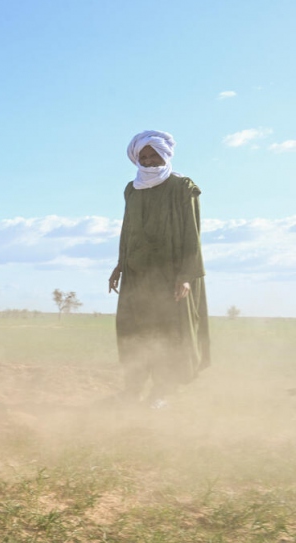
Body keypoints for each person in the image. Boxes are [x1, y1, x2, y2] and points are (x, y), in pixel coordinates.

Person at [108, 130, 210, 409]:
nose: (150, 161)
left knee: (169, 332)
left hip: (172, 276)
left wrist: (186, 276)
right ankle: (133, 389)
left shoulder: (182, 187)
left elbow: (192, 233)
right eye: (144, 156)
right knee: (135, 330)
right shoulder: (132, 188)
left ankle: (162, 392)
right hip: (137, 274)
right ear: (136, 158)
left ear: (166, 155)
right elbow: (128, 228)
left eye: (155, 155)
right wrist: (120, 264)